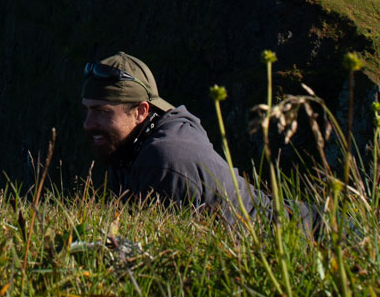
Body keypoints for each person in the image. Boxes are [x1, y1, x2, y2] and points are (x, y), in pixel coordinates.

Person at [81, 51, 263, 216]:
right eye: (87, 110)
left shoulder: (164, 161)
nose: (88, 124)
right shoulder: (126, 147)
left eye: (102, 111)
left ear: (140, 112)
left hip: (271, 236)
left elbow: (166, 249)